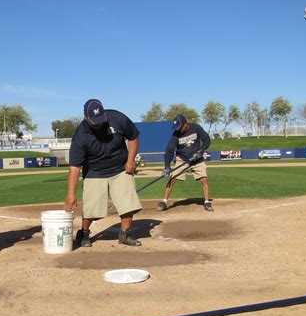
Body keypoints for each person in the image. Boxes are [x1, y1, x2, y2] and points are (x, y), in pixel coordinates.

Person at [64, 99, 143, 247]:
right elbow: (75, 167)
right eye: (94, 121)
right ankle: (84, 233)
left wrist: (131, 160)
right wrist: (71, 195)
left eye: (100, 120)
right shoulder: (81, 136)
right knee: (92, 207)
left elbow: (133, 136)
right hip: (95, 171)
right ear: (85, 116)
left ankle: (124, 234)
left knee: (128, 203)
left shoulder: (117, 118)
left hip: (120, 167)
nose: (98, 124)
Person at [157, 114, 213, 212]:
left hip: (197, 159)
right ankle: (164, 201)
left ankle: (207, 202)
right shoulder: (175, 134)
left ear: (185, 124)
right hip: (182, 159)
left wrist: (201, 151)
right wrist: (167, 166)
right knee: (173, 178)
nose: (178, 130)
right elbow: (170, 150)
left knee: (204, 179)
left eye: (179, 127)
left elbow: (206, 140)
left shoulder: (196, 127)